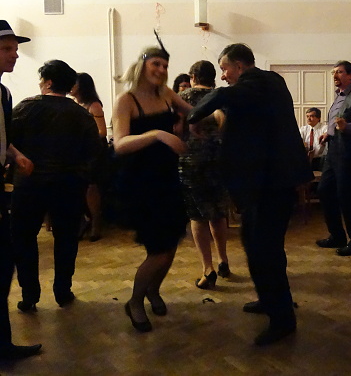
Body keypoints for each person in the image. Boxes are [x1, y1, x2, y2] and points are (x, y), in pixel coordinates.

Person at [187, 43, 312, 346]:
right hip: (266, 184)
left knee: (265, 250)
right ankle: (269, 300)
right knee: (255, 243)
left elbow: (223, 95)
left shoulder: (259, 82)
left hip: (272, 185)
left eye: (225, 69)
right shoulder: (263, 87)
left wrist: (192, 115)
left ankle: (282, 319)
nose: (223, 75)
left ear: (240, 66)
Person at [112, 42, 191, 333]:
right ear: (142, 64)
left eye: (165, 65)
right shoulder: (126, 100)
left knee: (170, 245)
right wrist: (157, 134)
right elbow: (120, 144)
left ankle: (153, 291)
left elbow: (194, 112)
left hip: (168, 180)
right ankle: (134, 301)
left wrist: (213, 116)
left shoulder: (166, 94)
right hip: (141, 184)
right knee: (158, 249)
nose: (161, 69)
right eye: (156, 63)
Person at [11, 60, 101, 313]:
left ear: (48, 82)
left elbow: (8, 141)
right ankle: (63, 291)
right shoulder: (81, 114)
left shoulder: (26, 107)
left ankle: (29, 295)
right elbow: (93, 152)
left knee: (24, 238)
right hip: (68, 184)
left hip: (29, 183)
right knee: (66, 239)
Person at [0, 20, 41, 360]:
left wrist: (16, 154)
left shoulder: (3, 93)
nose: (14, 55)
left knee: (4, 264)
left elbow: (3, 137)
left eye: (14, 49)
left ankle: (4, 344)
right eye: (6, 49)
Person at [178, 60, 233, 289]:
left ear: (192, 77)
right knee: (219, 214)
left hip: (191, 164)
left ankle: (207, 269)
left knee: (197, 217)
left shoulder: (181, 98)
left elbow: (177, 130)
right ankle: (223, 260)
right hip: (219, 163)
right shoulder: (223, 98)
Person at [316, 61, 351, 257]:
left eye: (339, 72)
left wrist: (347, 127)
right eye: (334, 72)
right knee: (324, 191)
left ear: (350, 75)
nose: (335, 75)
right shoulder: (338, 96)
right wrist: (328, 133)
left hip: (349, 154)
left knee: (346, 197)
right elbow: (336, 123)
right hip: (333, 151)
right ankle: (337, 236)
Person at [70, 72, 107, 241]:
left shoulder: (94, 105)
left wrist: (82, 139)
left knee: (91, 186)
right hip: (80, 151)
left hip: (93, 151)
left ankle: (95, 222)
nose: (71, 86)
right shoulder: (75, 104)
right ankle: (83, 219)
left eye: (74, 83)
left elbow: (102, 132)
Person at [299, 107, 327, 171]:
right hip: (306, 159)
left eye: (311, 116)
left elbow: (327, 134)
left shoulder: (324, 128)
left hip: (320, 160)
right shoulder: (303, 129)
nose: (308, 119)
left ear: (318, 118)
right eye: (307, 116)